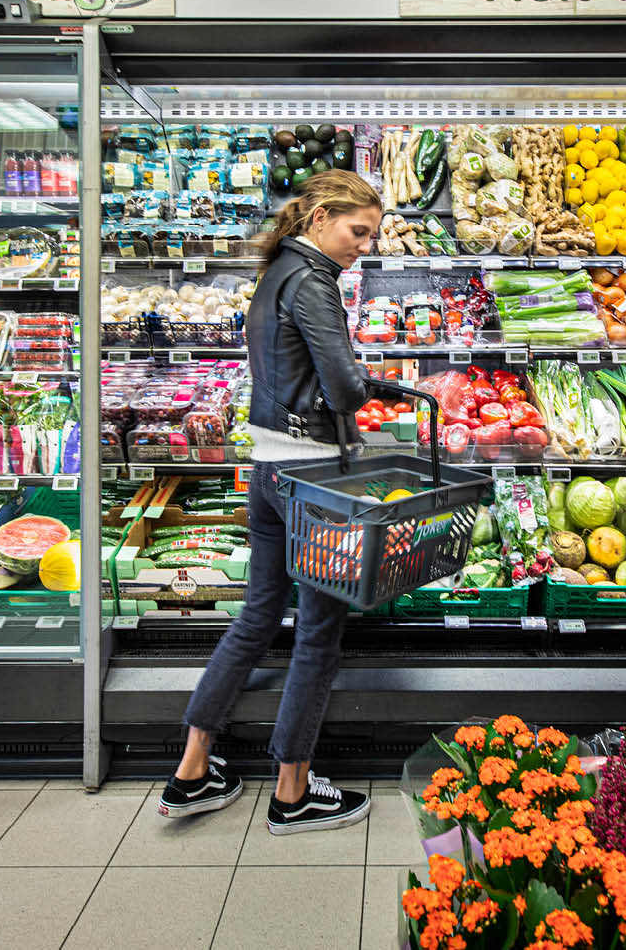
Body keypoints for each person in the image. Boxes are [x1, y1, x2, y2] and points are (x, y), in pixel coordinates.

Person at [157, 169, 380, 834]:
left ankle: (193, 769)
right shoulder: (314, 280)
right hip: (313, 474)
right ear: (320, 218)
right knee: (317, 634)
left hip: (267, 466)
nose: (364, 245)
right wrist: (370, 385)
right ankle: (293, 790)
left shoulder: (276, 269)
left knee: (256, 618)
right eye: (358, 230)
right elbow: (342, 386)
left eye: (371, 235)